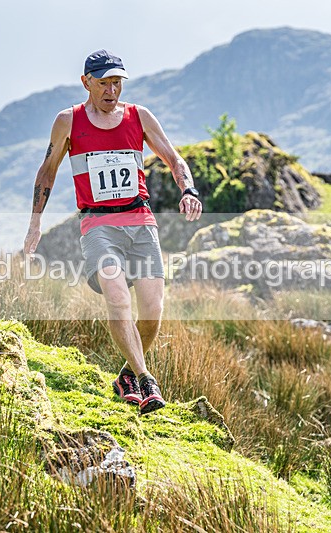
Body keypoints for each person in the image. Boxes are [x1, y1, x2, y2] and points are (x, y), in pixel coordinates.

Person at [24, 49, 202, 415]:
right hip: (98, 224)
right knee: (118, 298)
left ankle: (125, 377)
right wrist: (35, 222)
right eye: (103, 82)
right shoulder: (68, 121)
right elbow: (47, 171)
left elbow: (173, 156)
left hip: (140, 221)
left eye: (117, 82)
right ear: (86, 82)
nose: (111, 90)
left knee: (152, 312)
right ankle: (145, 378)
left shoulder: (139, 116)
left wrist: (188, 189)